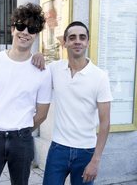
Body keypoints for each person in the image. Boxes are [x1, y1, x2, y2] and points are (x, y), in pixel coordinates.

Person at [0, 3, 52, 185]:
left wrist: (21, 129)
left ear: (36, 34)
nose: (25, 32)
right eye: (20, 26)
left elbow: (42, 114)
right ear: (12, 29)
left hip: (22, 140)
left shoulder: (42, 70)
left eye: (31, 29)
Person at [32, 21, 113, 185]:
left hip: (86, 151)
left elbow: (105, 123)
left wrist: (95, 161)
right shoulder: (55, 69)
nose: (77, 41)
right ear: (65, 43)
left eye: (82, 37)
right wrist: (37, 54)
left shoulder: (100, 76)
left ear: (88, 42)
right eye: (72, 37)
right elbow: (34, 72)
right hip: (58, 149)